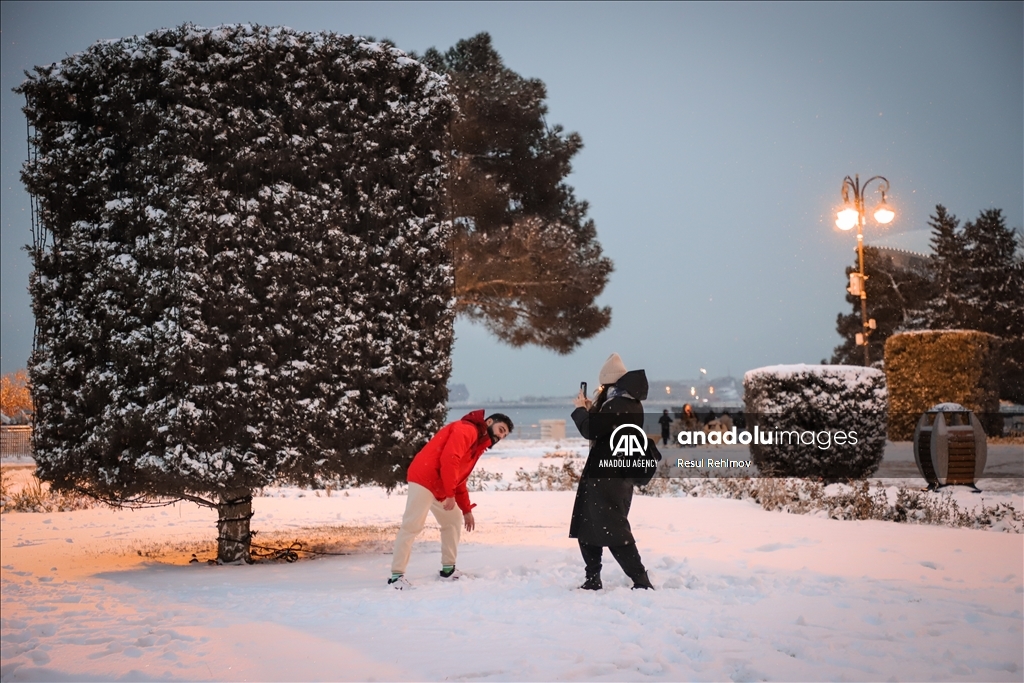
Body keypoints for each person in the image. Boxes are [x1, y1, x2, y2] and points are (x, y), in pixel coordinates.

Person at [388, 410, 513, 589]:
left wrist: (467, 510)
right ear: (489, 421)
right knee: (412, 525)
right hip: (424, 478)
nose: (500, 436)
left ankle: (448, 570)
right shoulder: (466, 430)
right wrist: (449, 495)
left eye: (504, 435)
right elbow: (450, 459)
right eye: (501, 430)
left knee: (453, 520)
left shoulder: (476, 445)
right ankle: (396, 577)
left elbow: (459, 479)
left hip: (440, 485)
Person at [569, 353, 655, 591]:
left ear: (608, 382)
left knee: (612, 529)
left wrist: (579, 410)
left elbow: (590, 430)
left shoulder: (617, 404)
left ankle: (640, 580)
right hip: (612, 475)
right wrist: (591, 410)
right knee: (590, 526)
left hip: (607, 477)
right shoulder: (629, 402)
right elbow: (604, 429)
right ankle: (593, 579)